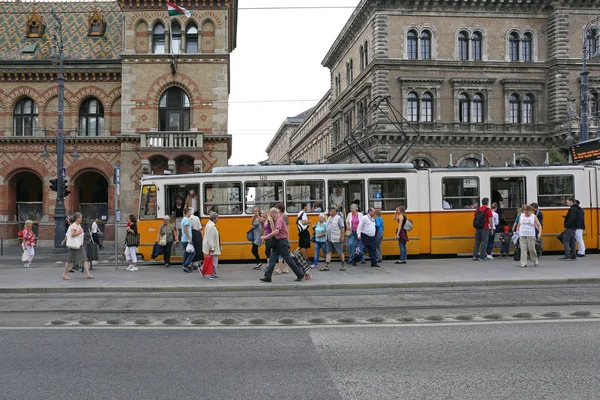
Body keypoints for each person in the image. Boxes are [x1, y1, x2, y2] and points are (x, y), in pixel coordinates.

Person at [259, 207, 305, 283]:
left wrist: (265, 237)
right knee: (272, 259)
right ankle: (268, 276)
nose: (270, 216)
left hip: (282, 242)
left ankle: (300, 274)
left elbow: (276, 231)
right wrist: (266, 238)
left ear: (274, 213)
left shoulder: (279, 220)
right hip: (277, 242)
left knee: (288, 260)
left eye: (271, 214)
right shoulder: (276, 220)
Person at [62, 212, 94, 280]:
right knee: (69, 260)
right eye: (80, 218)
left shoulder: (78, 225)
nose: (81, 219)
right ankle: (64, 274)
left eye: (81, 218)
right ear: (76, 219)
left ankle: (88, 273)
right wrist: (80, 232)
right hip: (74, 246)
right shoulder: (74, 226)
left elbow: (68, 235)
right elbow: (72, 234)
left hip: (79, 245)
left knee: (84, 259)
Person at [324, 206, 346, 271]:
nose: (330, 211)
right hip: (329, 238)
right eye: (330, 210)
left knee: (340, 252)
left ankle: (343, 265)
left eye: (331, 210)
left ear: (335, 211)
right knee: (328, 252)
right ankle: (327, 266)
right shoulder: (329, 218)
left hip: (336, 238)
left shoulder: (338, 218)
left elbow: (342, 227)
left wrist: (342, 236)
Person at [202, 212, 221, 279]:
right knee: (214, 261)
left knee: (211, 260)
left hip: (213, 246)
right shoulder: (211, 226)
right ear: (214, 219)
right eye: (217, 218)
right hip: (212, 248)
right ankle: (213, 274)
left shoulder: (210, 225)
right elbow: (210, 238)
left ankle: (204, 270)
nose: (218, 219)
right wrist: (212, 247)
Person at [274, 202, 290, 274]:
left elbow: (287, 228)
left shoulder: (284, 217)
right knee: (285, 254)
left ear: (279, 209)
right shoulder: (279, 217)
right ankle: (286, 268)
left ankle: (279, 268)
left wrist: (287, 238)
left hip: (283, 237)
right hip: (280, 237)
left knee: (282, 253)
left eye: (277, 208)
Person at [181, 207, 195, 273]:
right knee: (192, 252)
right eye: (189, 212)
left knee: (186, 254)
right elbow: (186, 230)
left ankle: (185, 265)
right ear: (187, 213)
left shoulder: (183, 220)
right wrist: (189, 238)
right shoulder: (186, 220)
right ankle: (186, 265)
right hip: (186, 239)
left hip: (184, 239)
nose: (190, 213)